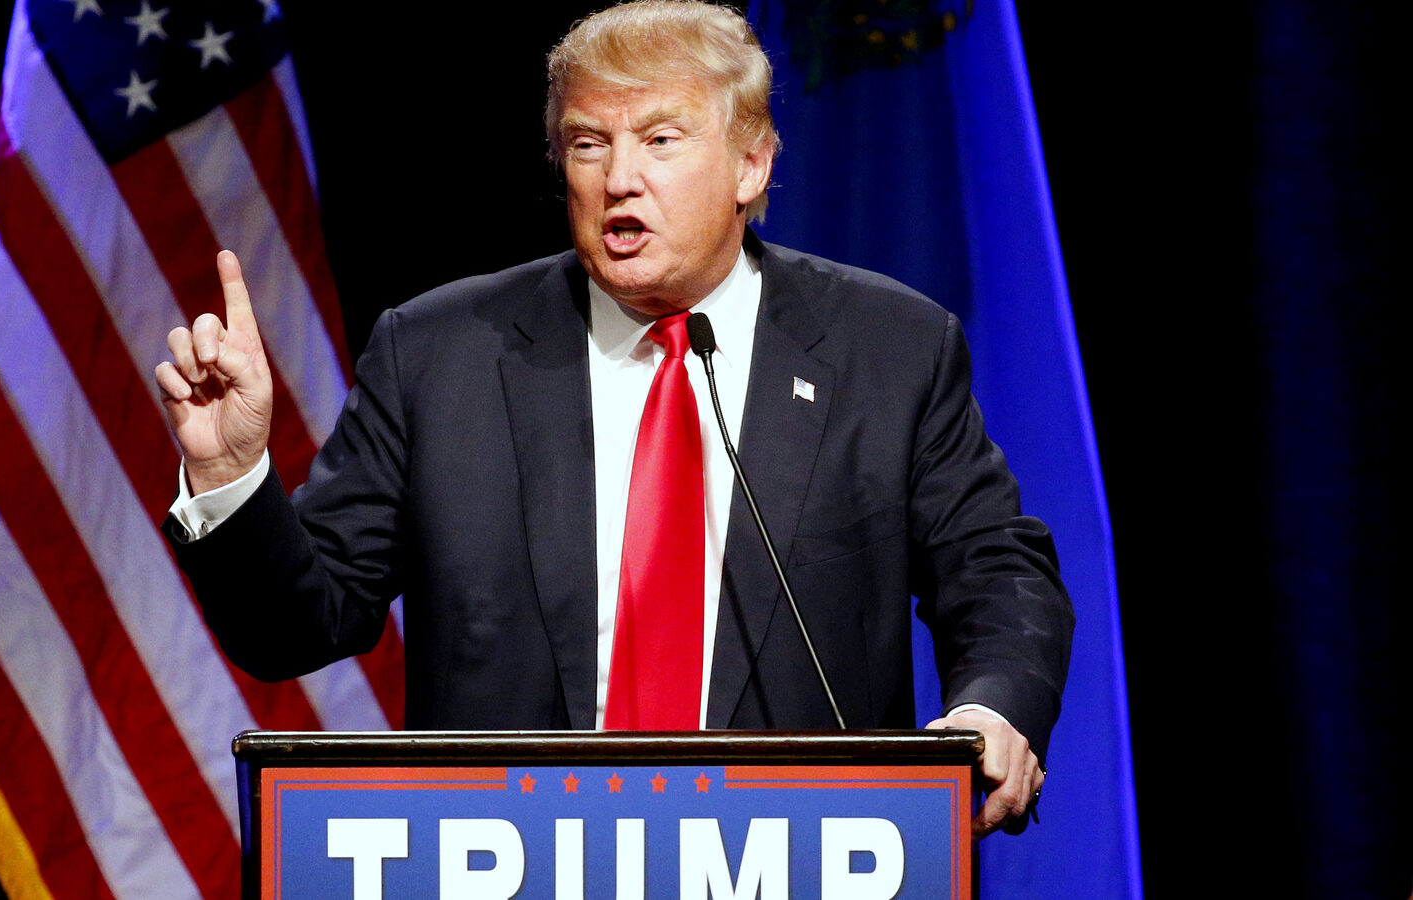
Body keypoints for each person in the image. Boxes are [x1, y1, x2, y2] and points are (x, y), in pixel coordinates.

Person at [156, 0, 1071, 837]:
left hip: (798, 852)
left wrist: (992, 709)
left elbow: (996, 570)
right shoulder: (440, 354)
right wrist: (233, 474)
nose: (619, 178)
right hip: (509, 860)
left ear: (751, 163)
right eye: (589, 144)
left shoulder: (889, 348)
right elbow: (297, 628)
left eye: (661, 139)